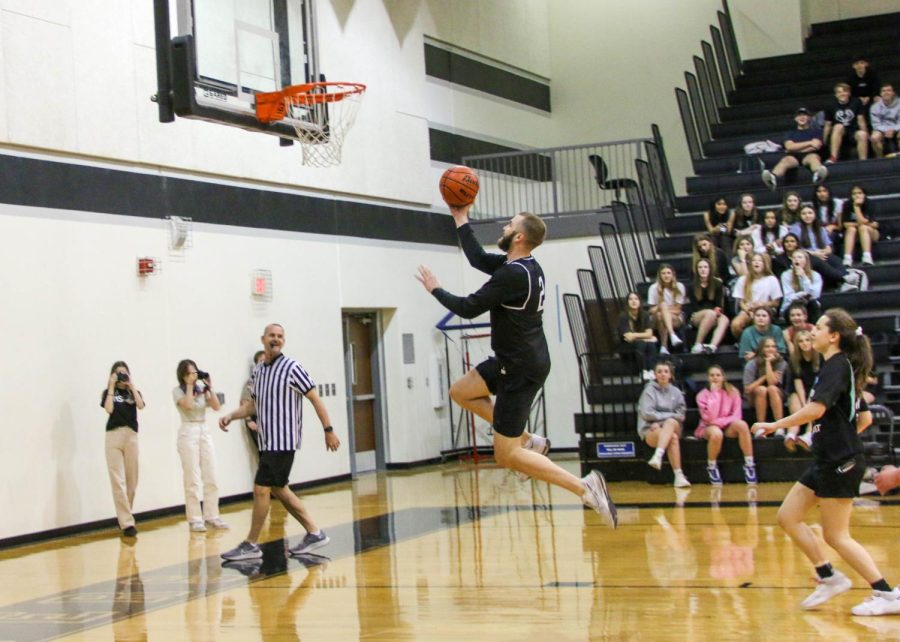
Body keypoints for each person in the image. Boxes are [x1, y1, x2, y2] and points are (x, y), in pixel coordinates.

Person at [415, 204, 618, 526]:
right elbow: (478, 259)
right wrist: (460, 218)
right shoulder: (522, 266)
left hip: (520, 368)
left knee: (505, 455)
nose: (503, 229)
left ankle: (585, 487)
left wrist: (435, 289)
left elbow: (468, 308)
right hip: (515, 359)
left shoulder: (513, 274)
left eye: (509, 226)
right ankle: (528, 440)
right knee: (461, 391)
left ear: (519, 236)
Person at [752, 309, 900, 616]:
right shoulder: (839, 368)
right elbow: (863, 417)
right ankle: (829, 575)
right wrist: (815, 437)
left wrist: (773, 425)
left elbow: (816, 409)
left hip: (840, 462)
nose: (812, 331)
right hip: (828, 457)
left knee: (836, 535)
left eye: (818, 328)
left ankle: (886, 593)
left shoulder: (837, 366)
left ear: (833, 336)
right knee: (788, 516)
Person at [218, 323, 342, 561]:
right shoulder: (259, 371)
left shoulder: (292, 368)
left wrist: (328, 430)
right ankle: (315, 533)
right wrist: (231, 416)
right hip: (267, 442)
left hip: (283, 442)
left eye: (280, 336)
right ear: (263, 339)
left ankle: (251, 543)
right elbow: (255, 405)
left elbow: (315, 398)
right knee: (279, 489)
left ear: (284, 341)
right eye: (272, 335)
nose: (276, 339)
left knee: (261, 488)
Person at [173, 359, 228, 532]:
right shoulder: (178, 391)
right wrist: (189, 386)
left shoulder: (201, 389)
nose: (194, 376)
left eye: (195, 372)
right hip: (188, 430)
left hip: (204, 429)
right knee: (192, 478)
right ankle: (195, 518)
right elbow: (188, 405)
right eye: (190, 373)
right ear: (183, 375)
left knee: (211, 474)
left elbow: (216, 406)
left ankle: (212, 515)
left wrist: (209, 386)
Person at [102, 361, 145, 538]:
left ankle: (125, 516)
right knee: (117, 481)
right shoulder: (108, 393)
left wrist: (131, 386)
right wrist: (112, 386)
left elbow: (141, 405)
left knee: (132, 482)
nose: (121, 376)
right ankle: (127, 523)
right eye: (118, 373)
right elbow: (108, 409)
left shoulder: (132, 392)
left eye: (124, 373)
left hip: (131, 436)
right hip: (113, 436)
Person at [695, 365, 756, 485]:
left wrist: (720, 422)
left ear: (723, 377)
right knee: (716, 433)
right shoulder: (702, 395)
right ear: (708, 378)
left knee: (742, 425)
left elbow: (737, 415)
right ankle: (712, 467)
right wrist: (714, 394)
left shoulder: (733, 391)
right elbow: (709, 418)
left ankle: (749, 464)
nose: (715, 378)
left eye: (718, 375)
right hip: (708, 427)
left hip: (726, 425)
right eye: (712, 375)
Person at [638, 360, 690, 488]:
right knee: (672, 437)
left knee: (671, 422)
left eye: (666, 371)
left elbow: (681, 415)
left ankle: (658, 455)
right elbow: (647, 414)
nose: (662, 374)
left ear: (670, 375)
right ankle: (679, 476)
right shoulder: (649, 391)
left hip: (672, 426)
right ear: (655, 375)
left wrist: (661, 422)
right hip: (650, 429)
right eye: (659, 372)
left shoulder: (676, 392)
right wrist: (665, 420)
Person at [761, 108, 828, 190]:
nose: (802, 117)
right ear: (795, 119)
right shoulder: (790, 133)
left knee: (813, 157)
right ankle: (772, 178)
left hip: (808, 155)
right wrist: (810, 143)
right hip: (793, 157)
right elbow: (789, 146)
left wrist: (795, 148)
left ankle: (818, 175)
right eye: (799, 115)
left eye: (804, 115)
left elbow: (816, 146)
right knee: (786, 160)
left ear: (809, 118)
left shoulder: (816, 132)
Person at [790, 205, 850, 289]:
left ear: (814, 215)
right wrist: (814, 253)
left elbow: (829, 247)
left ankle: (845, 279)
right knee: (817, 261)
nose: (807, 216)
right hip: (805, 256)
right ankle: (845, 279)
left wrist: (824, 252)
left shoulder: (820, 228)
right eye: (804, 214)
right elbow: (794, 248)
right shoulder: (796, 228)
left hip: (821, 254)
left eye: (810, 213)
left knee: (836, 259)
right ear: (800, 216)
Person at [730, 253, 782, 337]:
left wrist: (762, 304)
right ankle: (744, 342)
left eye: (759, 261)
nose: (756, 263)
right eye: (754, 261)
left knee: (759, 318)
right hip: (748, 310)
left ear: (764, 264)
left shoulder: (771, 279)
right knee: (736, 325)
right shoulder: (743, 279)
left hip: (766, 309)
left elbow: (776, 303)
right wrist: (747, 310)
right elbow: (741, 302)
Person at [784, 330, 818, 453]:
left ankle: (808, 435)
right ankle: (791, 434)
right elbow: (797, 384)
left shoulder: (820, 357)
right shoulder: (794, 359)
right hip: (799, 390)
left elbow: (818, 383)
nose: (804, 343)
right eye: (800, 341)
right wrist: (804, 404)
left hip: (817, 390)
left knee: (816, 405)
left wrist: (809, 403)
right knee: (795, 401)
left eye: (807, 340)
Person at [744, 337, 787, 430]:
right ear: (761, 349)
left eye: (773, 346)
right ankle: (760, 427)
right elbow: (747, 389)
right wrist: (764, 377)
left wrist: (768, 363)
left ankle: (779, 427)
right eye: (767, 346)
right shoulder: (752, 363)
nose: (771, 349)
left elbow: (772, 382)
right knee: (762, 389)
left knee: (771, 388)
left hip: (777, 394)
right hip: (755, 396)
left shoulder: (781, 363)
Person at [688, 258, 729, 354]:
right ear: (696, 270)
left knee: (725, 319)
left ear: (710, 269)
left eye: (705, 267)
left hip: (713, 313)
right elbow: (694, 307)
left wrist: (717, 311)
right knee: (710, 313)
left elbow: (719, 304)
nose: (703, 269)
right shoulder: (692, 285)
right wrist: (711, 313)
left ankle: (712, 346)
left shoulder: (717, 283)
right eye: (700, 267)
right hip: (697, 315)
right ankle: (697, 345)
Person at [823, 82, 869, 163]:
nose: (842, 94)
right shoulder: (830, 105)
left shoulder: (856, 102)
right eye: (839, 92)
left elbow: (861, 120)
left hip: (853, 132)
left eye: (845, 91)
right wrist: (824, 141)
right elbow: (828, 125)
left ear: (849, 93)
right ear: (836, 95)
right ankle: (833, 158)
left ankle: (863, 161)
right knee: (838, 126)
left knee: (862, 134)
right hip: (838, 133)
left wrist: (866, 134)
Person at [618, 291, 658, 381]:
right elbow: (628, 337)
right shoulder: (623, 316)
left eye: (636, 299)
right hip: (627, 345)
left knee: (651, 345)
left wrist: (635, 335)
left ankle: (651, 371)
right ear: (627, 302)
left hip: (641, 342)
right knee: (643, 343)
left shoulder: (645, 315)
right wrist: (647, 338)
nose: (633, 301)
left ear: (640, 301)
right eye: (631, 299)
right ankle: (642, 371)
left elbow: (649, 333)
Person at [647, 263, 686, 355]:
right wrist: (661, 301)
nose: (666, 275)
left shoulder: (679, 286)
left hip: (675, 318)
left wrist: (662, 309)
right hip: (656, 318)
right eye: (663, 273)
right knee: (661, 311)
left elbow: (678, 310)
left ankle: (664, 347)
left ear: (673, 274)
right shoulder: (653, 288)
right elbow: (651, 310)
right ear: (659, 275)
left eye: (668, 273)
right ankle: (672, 335)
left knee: (661, 314)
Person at [840, 185, 879, 266]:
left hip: (872, 233)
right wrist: (861, 223)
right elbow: (846, 224)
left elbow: (874, 224)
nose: (857, 195)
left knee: (863, 228)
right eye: (854, 194)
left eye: (860, 193)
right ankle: (847, 258)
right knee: (851, 229)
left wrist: (856, 207)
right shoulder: (847, 204)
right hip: (854, 234)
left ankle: (867, 257)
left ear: (864, 194)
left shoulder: (870, 203)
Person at [779, 249, 822, 322]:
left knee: (813, 303)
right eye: (794, 257)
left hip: (808, 305)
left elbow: (815, 295)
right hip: (791, 305)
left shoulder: (815, 275)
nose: (796, 259)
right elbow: (789, 296)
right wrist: (802, 294)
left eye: (799, 257)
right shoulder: (786, 275)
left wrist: (804, 277)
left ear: (806, 260)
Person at [240, 350, 266, 456]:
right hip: (259, 420)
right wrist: (249, 420)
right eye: (261, 361)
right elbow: (244, 401)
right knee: (265, 454)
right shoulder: (252, 382)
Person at [870, 83, 899, 158]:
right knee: (874, 137)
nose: (886, 92)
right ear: (880, 94)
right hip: (882, 130)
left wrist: (893, 129)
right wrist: (886, 130)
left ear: (893, 93)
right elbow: (876, 125)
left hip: (897, 128)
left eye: (889, 90)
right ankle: (880, 160)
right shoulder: (874, 107)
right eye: (884, 91)